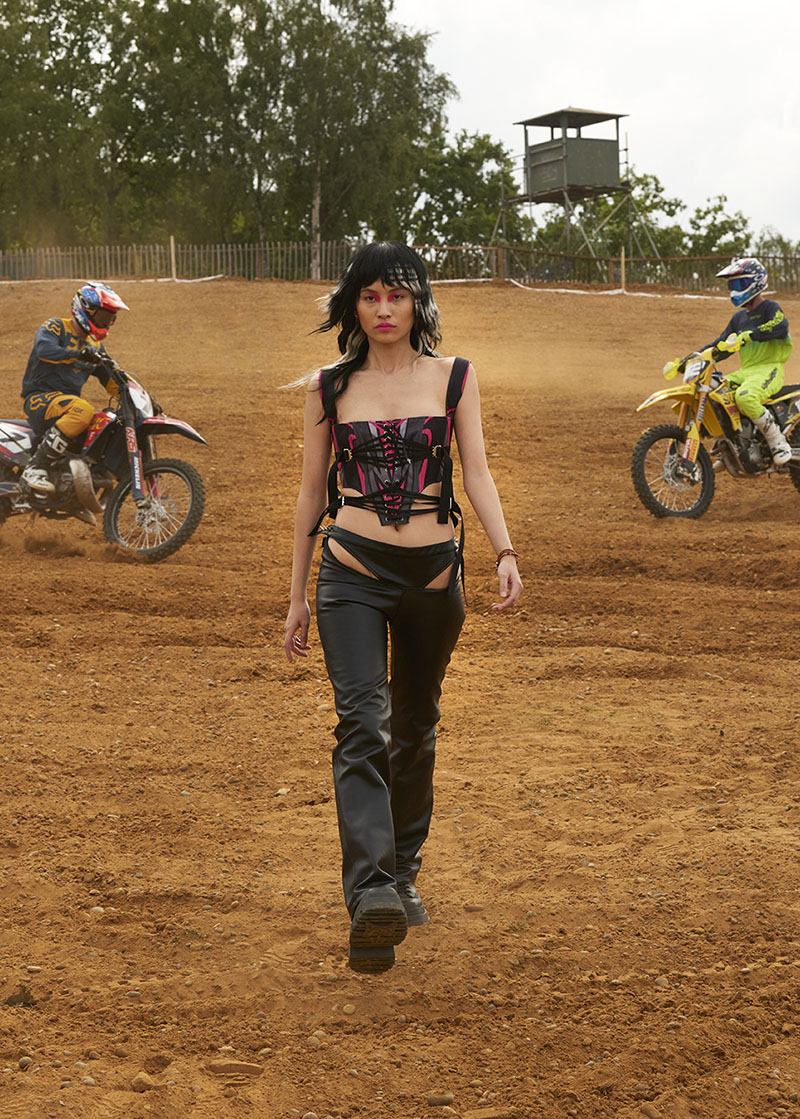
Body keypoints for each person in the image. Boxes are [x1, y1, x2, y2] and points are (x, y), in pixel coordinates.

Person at [283, 241, 523, 975]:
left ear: (418, 302)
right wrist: (296, 595)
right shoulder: (328, 387)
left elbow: (476, 471)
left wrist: (505, 551)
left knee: (414, 725)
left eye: (397, 295)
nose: (384, 309)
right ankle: (371, 894)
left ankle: (405, 868)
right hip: (350, 571)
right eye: (370, 296)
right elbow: (311, 493)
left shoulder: (455, 377)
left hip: (433, 575)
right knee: (363, 724)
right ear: (353, 306)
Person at [21, 281, 129, 495]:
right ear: (85, 309)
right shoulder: (56, 327)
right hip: (39, 400)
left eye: (110, 318)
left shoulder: (95, 346)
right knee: (83, 410)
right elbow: (44, 350)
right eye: (103, 316)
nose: (106, 323)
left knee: (108, 421)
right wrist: (78, 354)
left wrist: (139, 396)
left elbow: (113, 380)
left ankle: (78, 479)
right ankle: (35, 467)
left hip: (66, 406)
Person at [694, 257, 793, 465]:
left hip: (769, 369)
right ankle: (728, 446)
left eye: (739, 284)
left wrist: (753, 334)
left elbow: (780, 326)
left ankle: (777, 441)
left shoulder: (770, 308)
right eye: (731, 286)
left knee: (745, 397)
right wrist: (694, 357)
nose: (734, 290)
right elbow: (721, 344)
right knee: (715, 390)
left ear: (755, 282)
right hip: (746, 371)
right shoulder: (738, 319)